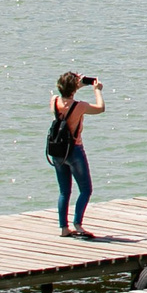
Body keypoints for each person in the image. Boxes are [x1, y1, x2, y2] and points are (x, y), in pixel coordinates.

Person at [48, 72, 104, 237]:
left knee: (64, 191)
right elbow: (101, 108)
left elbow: (65, 98)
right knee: (86, 190)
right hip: (74, 150)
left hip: (57, 150)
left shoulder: (54, 101)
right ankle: (78, 224)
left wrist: (75, 85)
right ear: (74, 89)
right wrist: (97, 90)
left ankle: (64, 228)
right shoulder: (80, 106)